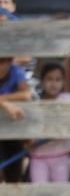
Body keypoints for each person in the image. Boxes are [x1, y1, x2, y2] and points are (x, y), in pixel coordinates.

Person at [29, 63, 70, 196]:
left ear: (63, 82)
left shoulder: (69, 100)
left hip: (61, 156)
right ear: (42, 82)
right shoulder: (35, 103)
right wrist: (28, 141)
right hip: (38, 157)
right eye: (49, 79)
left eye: (58, 80)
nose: (53, 84)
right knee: (38, 194)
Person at [0, 56, 31, 185]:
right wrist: (5, 104)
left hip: (13, 130)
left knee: (14, 176)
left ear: (9, 61)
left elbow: (26, 95)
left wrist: (2, 100)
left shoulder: (16, 71)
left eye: (3, 62)